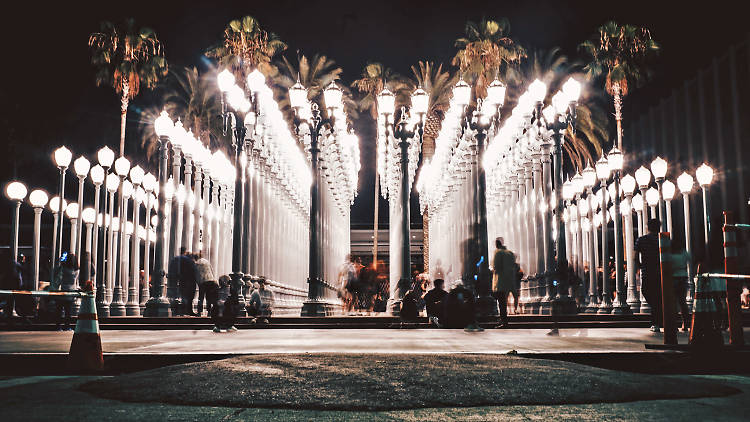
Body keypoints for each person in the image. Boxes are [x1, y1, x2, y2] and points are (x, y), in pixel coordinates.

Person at [635, 218, 663, 332]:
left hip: (647, 271)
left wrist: (640, 266)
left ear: (648, 227)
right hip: (661, 271)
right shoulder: (664, 239)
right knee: (658, 297)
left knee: (647, 293)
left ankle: (656, 321)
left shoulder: (641, 240)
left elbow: (635, 256)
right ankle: (658, 319)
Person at [492, 237, 517, 328]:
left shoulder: (498, 252)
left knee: (501, 302)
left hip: (500, 281)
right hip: (509, 281)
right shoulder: (510, 253)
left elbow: (496, 266)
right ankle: (503, 320)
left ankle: (504, 321)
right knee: (504, 302)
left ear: (497, 244)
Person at [168, 248, 199, 316]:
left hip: (179, 279)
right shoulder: (188, 260)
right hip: (189, 280)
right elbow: (194, 270)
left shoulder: (175, 259)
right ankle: (188, 311)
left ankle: (178, 311)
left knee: (180, 296)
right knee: (189, 297)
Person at [670, 246, 692, 332]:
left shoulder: (670, 252)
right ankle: (685, 323)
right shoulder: (683, 251)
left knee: (673, 302)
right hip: (683, 275)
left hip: (673, 277)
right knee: (682, 302)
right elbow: (691, 260)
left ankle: (674, 324)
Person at [55, 252, 79, 331]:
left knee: (59, 310)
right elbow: (75, 281)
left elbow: (59, 279)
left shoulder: (63, 268)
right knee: (68, 311)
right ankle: (67, 326)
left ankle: (58, 326)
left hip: (62, 291)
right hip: (71, 291)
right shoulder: (76, 270)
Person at [1, 250, 24, 322]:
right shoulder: (16, 265)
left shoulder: (7, 264)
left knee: (8, 300)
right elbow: (19, 277)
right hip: (15, 286)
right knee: (13, 301)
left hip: (8, 285)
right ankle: (11, 314)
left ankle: (8, 314)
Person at [194, 252, 218, 317]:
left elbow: (197, 274)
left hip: (203, 282)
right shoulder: (207, 262)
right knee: (209, 298)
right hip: (211, 280)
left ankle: (199, 312)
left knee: (201, 297)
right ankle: (209, 312)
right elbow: (212, 270)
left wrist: (198, 282)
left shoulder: (197, 263)